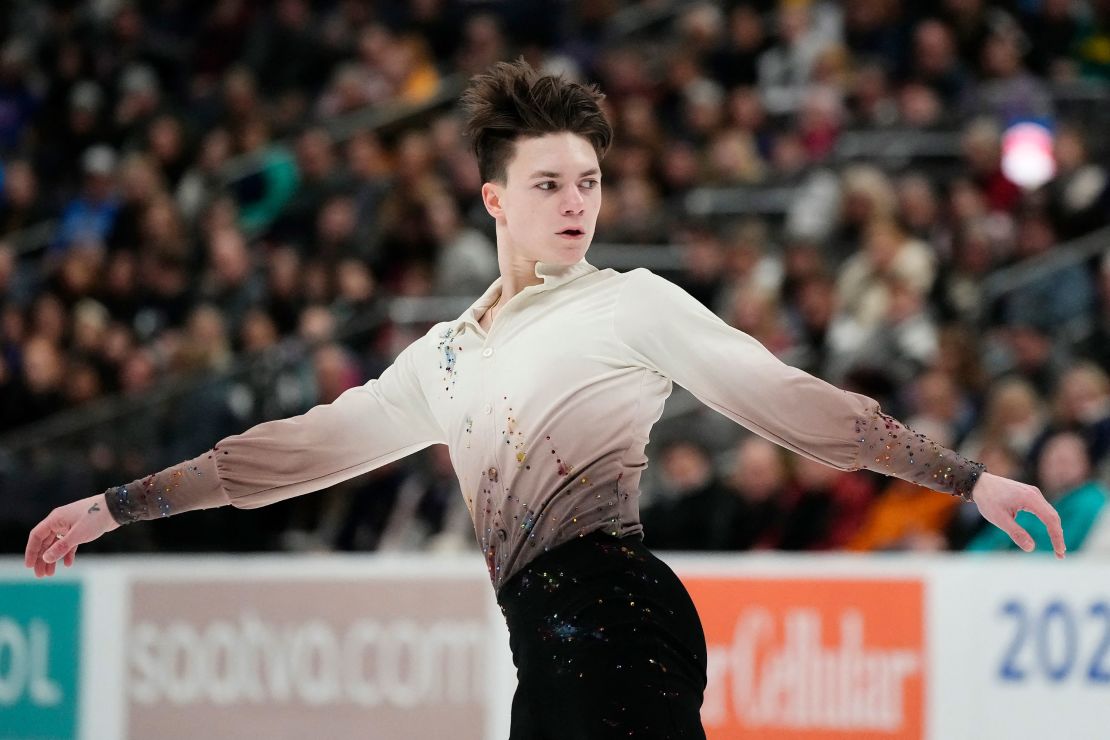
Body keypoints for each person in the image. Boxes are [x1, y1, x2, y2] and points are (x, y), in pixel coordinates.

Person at [25, 60, 1066, 740]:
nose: (577, 204)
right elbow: (284, 455)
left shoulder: (631, 305)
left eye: (590, 183)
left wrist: (965, 477)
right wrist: (117, 504)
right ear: (493, 200)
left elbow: (796, 404)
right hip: (550, 649)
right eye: (549, 185)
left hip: (616, 624)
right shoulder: (442, 360)